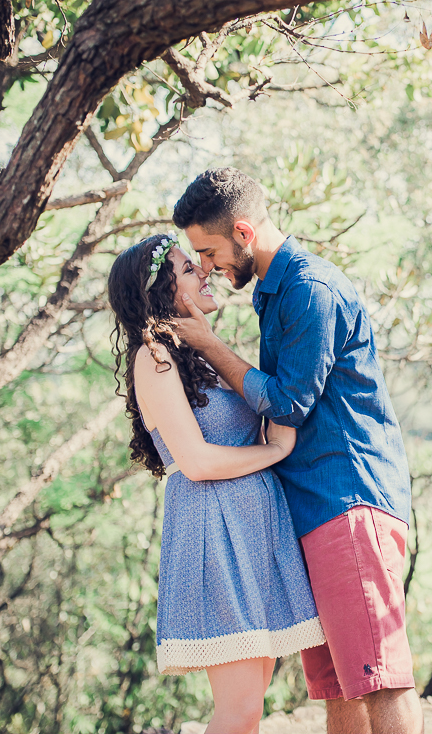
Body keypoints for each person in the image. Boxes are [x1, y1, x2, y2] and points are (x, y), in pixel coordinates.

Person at [169, 168, 424, 734]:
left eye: (208, 250)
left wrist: (211, 346)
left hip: (347, 502)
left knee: (380, 678)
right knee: (340, 688)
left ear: (242, 230)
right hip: (308, 513)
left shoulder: (311, 288)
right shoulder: (273, 293)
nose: (207, 265)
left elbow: (288, 405)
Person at [108, 233, 326, 734]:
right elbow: (198, 461)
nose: (203, 271)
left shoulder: (198, 354)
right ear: (162, 290)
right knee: (240, 707)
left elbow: (273, 407)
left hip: (253, 527)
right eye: (188, 269)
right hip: (214, 528)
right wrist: (272, 452)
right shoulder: (154, 356)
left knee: (252, 703)